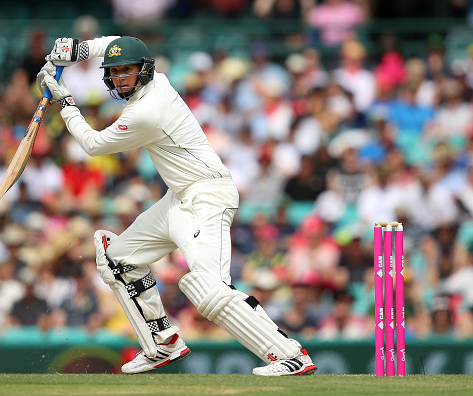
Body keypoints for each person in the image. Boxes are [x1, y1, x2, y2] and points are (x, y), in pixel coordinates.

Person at [38, 35, 317, 376]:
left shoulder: (147, 112)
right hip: (178, 197)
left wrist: (65, 102)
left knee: (207, 287)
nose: (122, 78)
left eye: (128, 71)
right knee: (117, 259)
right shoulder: (160, 82)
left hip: (207, 196)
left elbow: (94, 145)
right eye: (115, 72)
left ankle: (290, 355)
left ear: (145, 70)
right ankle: (162, 343)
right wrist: (83, 49)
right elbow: (122, 41)